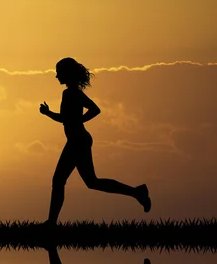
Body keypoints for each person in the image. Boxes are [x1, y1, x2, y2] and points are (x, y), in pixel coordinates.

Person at [40, 57, 151, 225]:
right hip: (78, 140)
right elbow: (75, 116)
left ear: (66, 73)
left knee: (59, 180)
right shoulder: (71, 92)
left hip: (78, 141)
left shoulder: (71, 93)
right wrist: (63, 118)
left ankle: (51, 223)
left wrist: (72, 120)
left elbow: (87, 112)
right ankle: (136, 192)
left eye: (58, 72)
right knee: (91, 182)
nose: (56, 76)